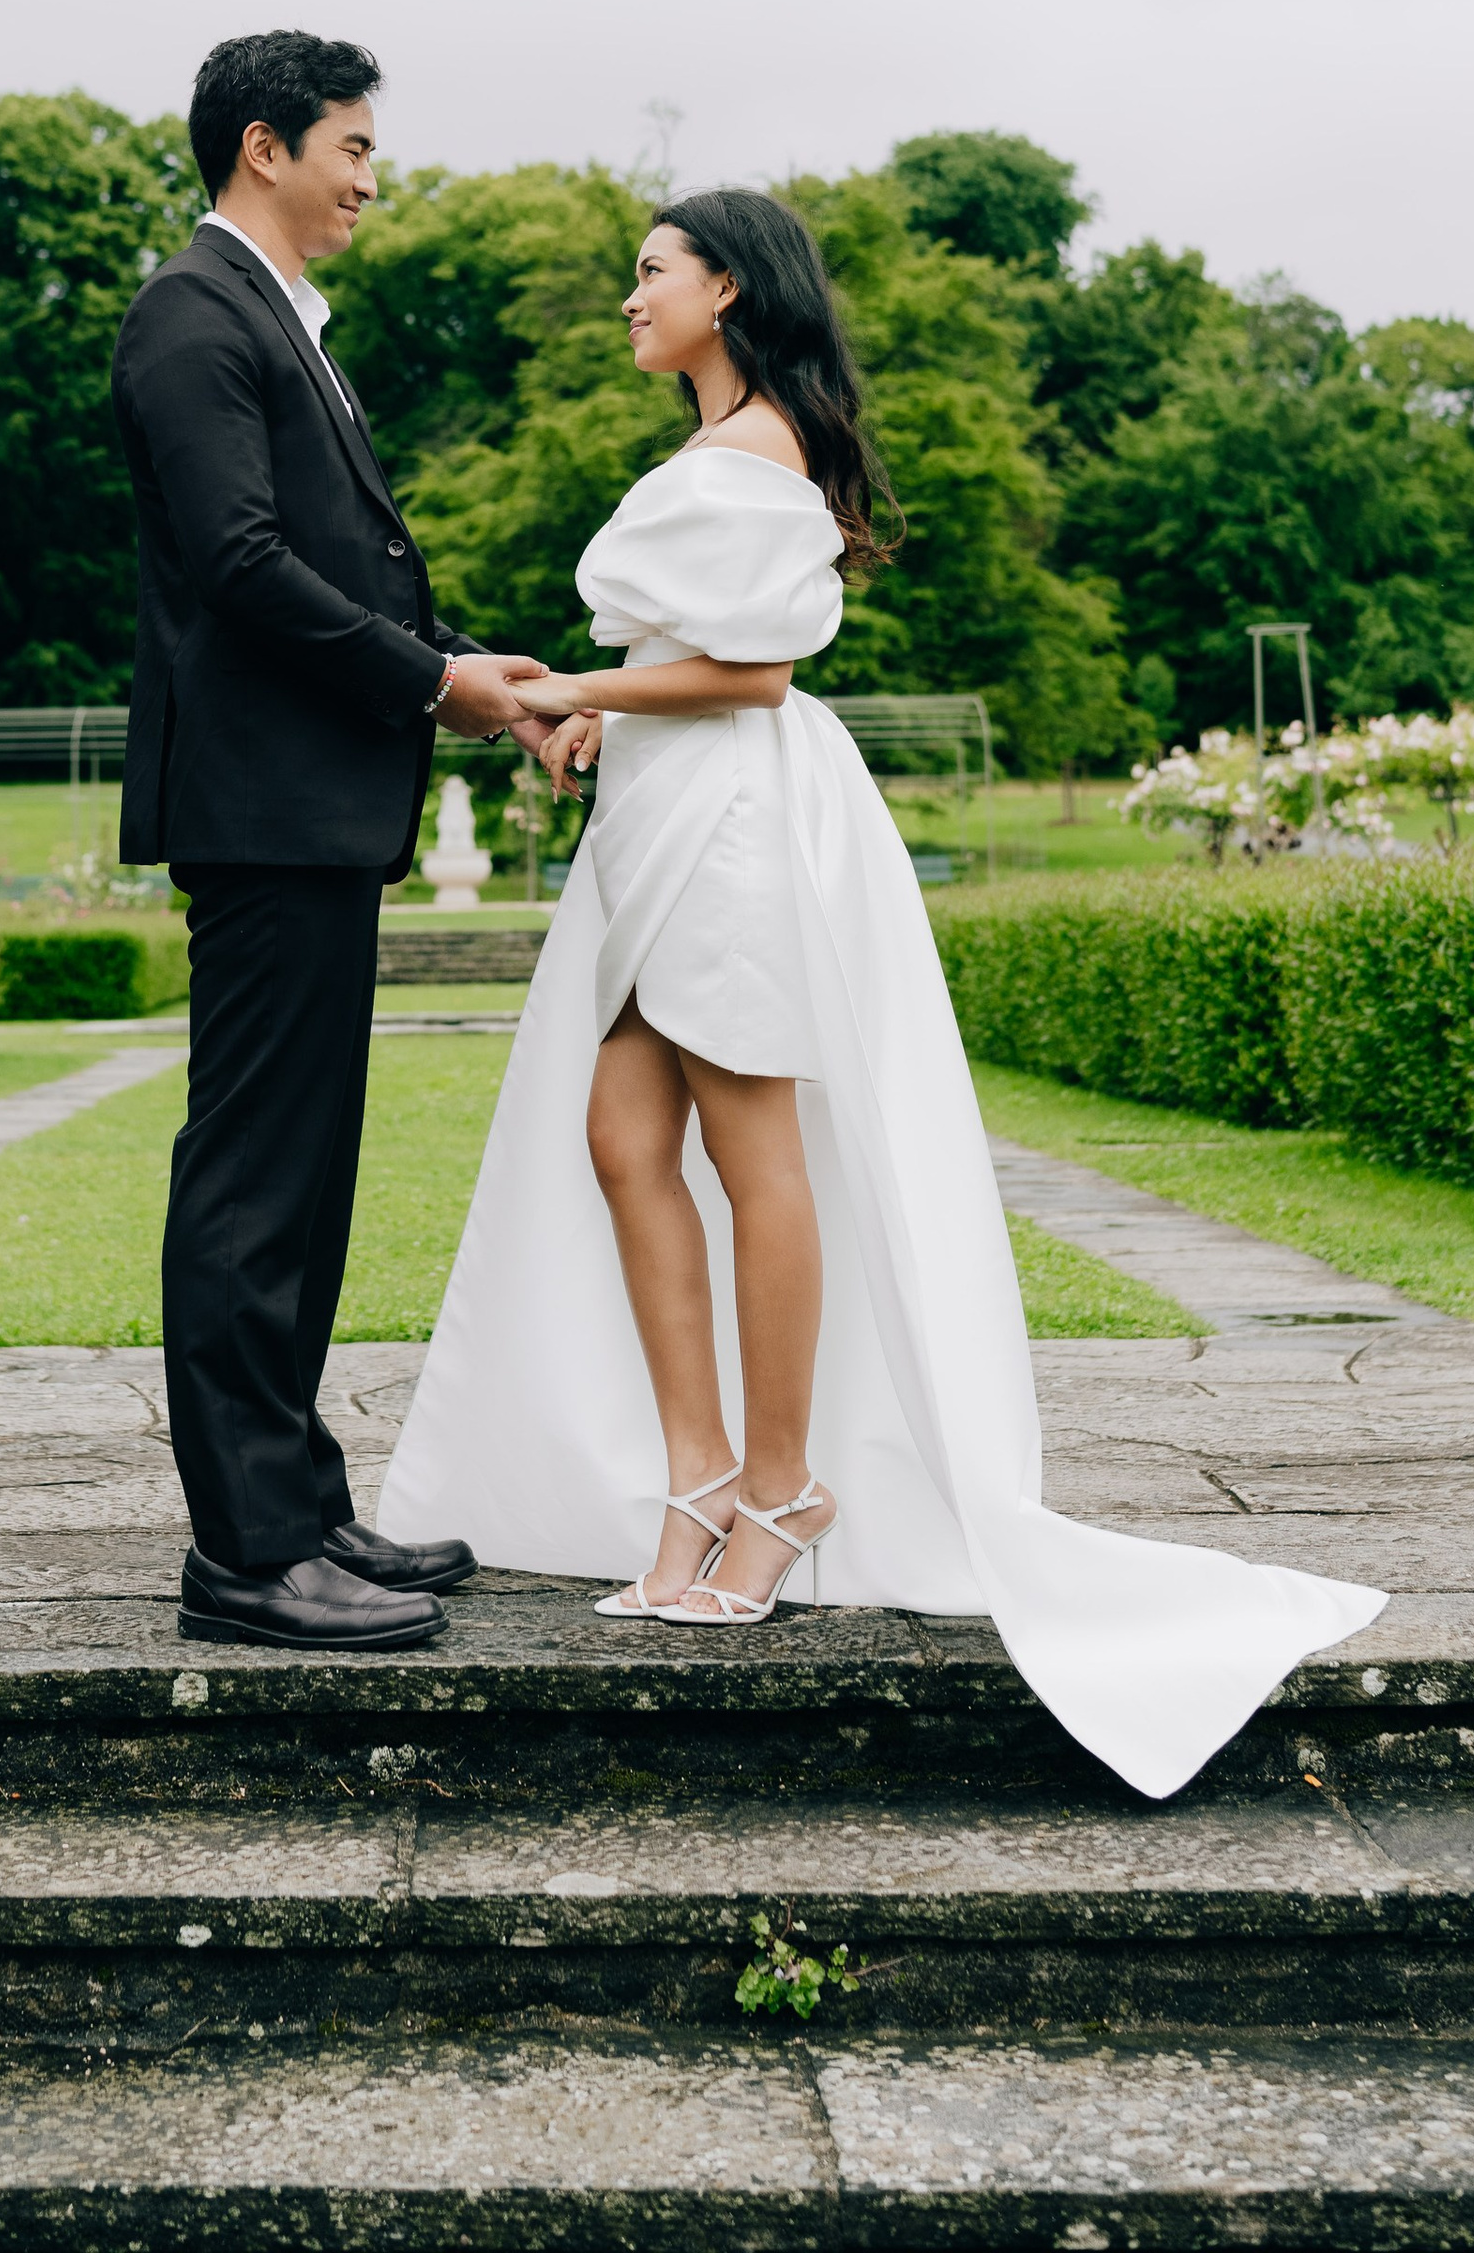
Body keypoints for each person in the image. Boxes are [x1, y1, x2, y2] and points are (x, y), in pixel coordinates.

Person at [379, 187, 1384, 1798]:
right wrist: (587, 722)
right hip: (660, 806)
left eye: (650, 274)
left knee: (747, 1148)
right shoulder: (725, 447)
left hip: (735, 819)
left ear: (727, 288)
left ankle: (778, 1485)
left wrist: (568, 683)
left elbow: (757, 669)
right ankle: (696, 1468)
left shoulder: (761, 445)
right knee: (624, 1139)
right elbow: (684, 654)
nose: (627, 299)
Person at [112, 29, 549, 1653]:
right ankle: (242, 1552)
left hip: (314, 804)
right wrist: (436, 684)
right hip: (261, 807)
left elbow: (349, 566)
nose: (372, 177)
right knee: (248, 1178)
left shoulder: (281, 321)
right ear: (261, 148)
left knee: (302, 1177)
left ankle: (298, 1503)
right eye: (352, 145)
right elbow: (239, 558)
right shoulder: (192, 313)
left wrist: (468, 665)